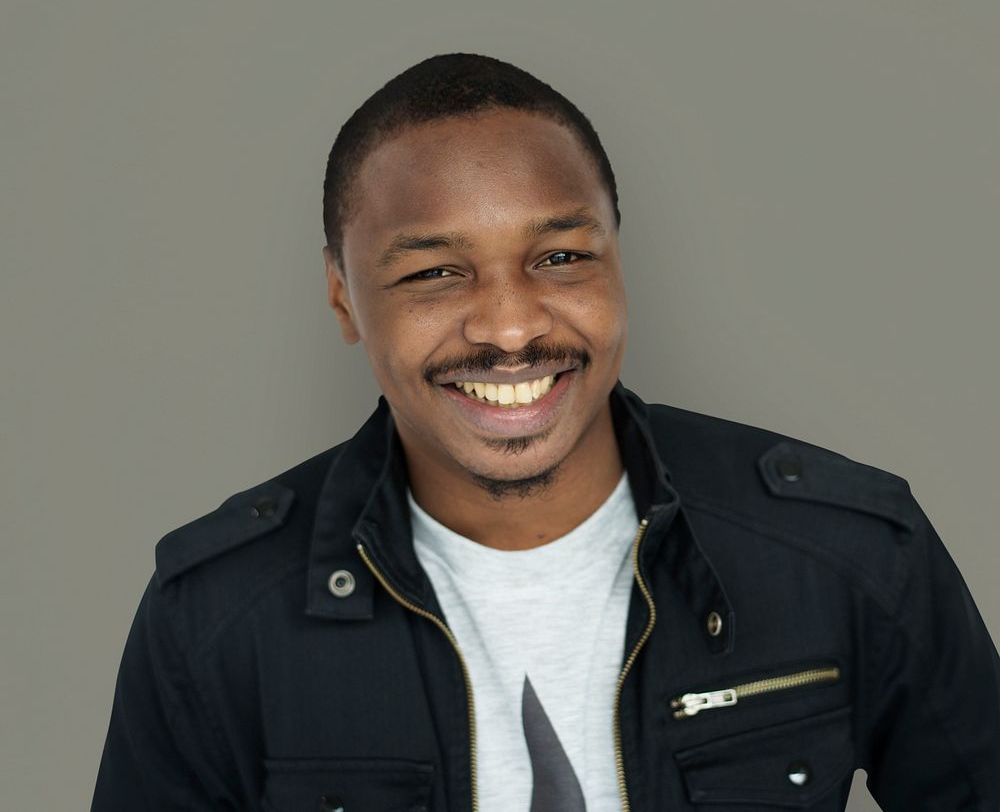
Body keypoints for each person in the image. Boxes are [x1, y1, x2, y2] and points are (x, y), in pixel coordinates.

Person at [91, 52, 1000, 812]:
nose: (511, 327)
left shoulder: (848, 551)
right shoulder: (215, 619)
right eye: (435, 273)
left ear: (616, 251)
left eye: (560, 257)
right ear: (342, 295)